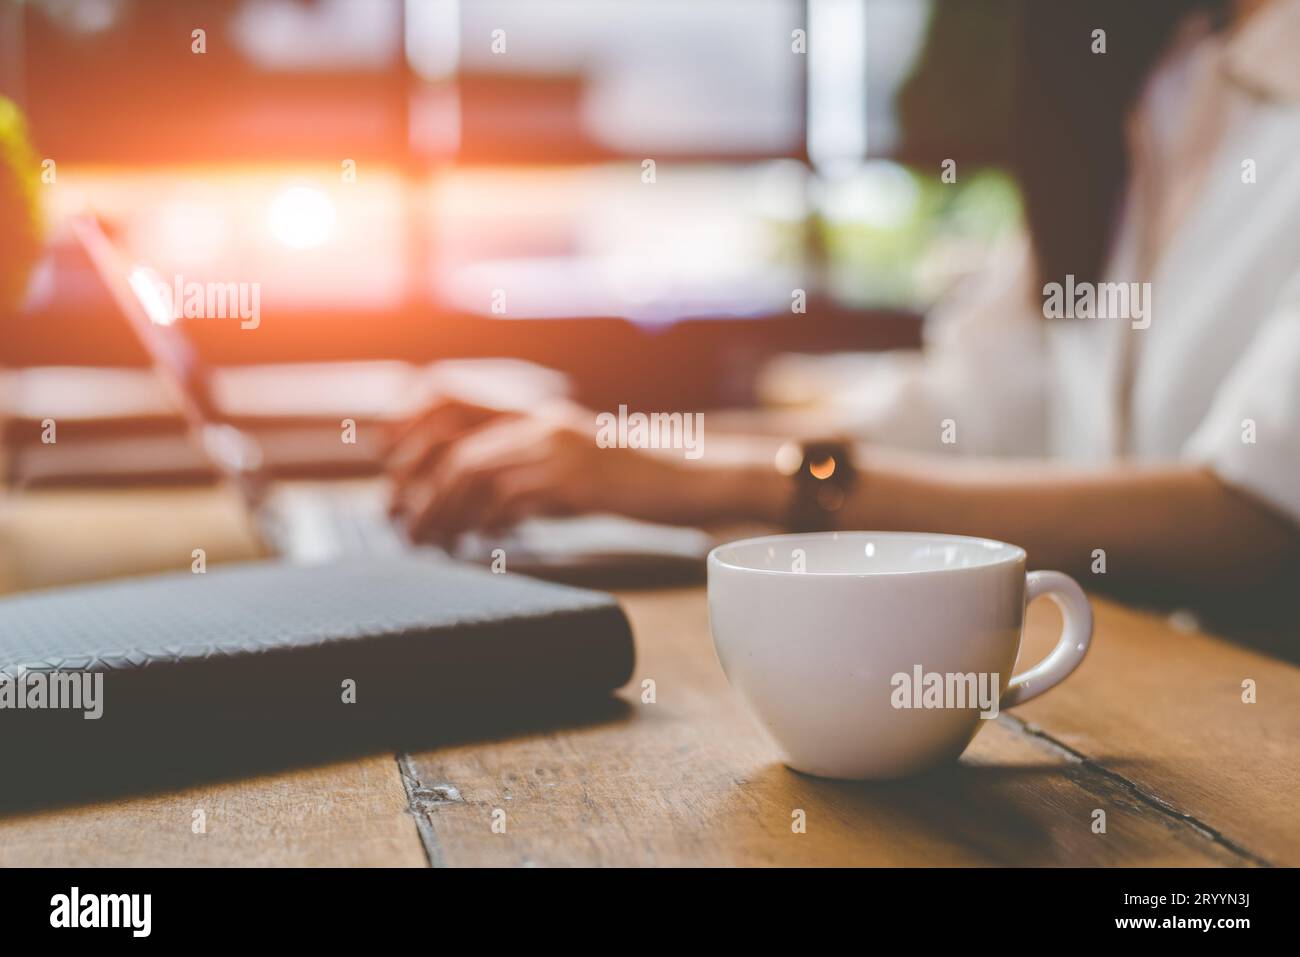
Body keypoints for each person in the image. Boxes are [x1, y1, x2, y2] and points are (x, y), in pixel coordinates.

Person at [389, 0, 1300, 605]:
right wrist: (599, 441)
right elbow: (947, 420)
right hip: (1129, 706)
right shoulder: (1152, 83)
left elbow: (1256, 518)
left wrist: (717, 480)